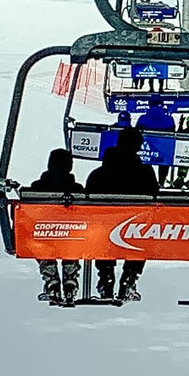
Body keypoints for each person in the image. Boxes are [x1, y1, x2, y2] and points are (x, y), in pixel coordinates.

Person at [81, 126, 160, 302]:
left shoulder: (98, 174)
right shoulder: (145, 173)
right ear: (138, 147)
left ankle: (106, 277)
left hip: (104, 229)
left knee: (102, 231)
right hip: (136, 229)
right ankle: (130, 277)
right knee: (142, 234)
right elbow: (155, 198)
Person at [28, 147, 81, 304]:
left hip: (45, 236)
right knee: (75, 238)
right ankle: (70, 276)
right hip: (71, 238)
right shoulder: (76, 190)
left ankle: (50, 276)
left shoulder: (37, 188)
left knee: (40, 237)